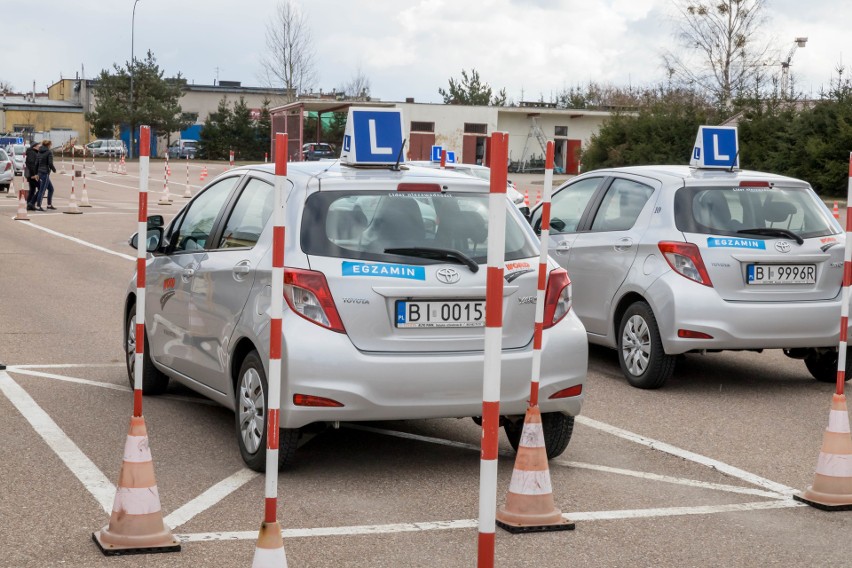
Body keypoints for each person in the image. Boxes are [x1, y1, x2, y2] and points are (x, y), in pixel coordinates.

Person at [34, 140, 56, 211]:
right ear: (48, 145)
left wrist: (36, 173)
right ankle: (38, 206)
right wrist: (54, 169)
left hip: (40, 172)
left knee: (51, 189)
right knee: (42, 190)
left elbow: (36, 163)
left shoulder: (39, 152)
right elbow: (50, 163)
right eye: (50, 144)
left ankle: (49, 205)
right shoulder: (49, 152)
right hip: (45, 173)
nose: (51, 146)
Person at [24, 141, 40, 210]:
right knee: (41, 188)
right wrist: (34, 174)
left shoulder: (34, 152)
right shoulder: (32, 153)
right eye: (38, 145)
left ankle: (29, 204)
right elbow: (31, 164)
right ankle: (31, 203)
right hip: (32, 175)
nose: (39, 146)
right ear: (34, 146)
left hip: (31, 174)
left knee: (32, 190)